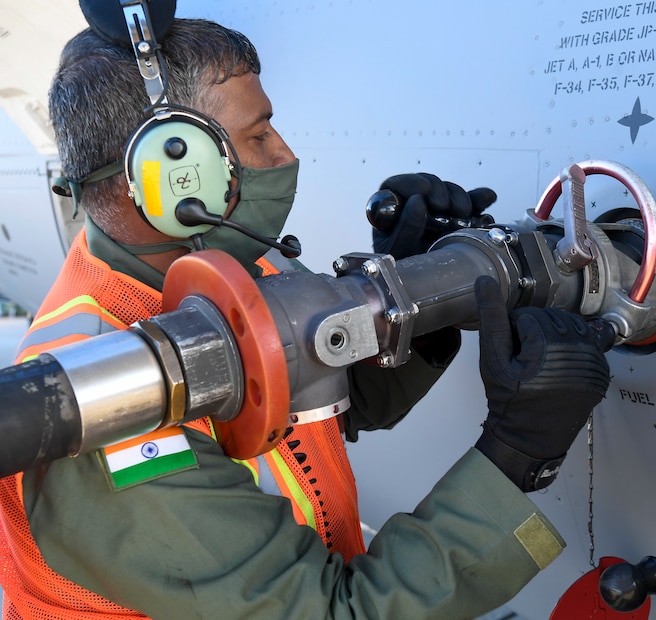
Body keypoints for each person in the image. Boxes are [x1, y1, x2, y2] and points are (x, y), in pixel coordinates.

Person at [0, 15, 610, 620]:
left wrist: (419, 296)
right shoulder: (105, 412)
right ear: (173, 173)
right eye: (259, 135)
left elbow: (321, 408)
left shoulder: (218, 257)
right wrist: (516, 453)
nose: (284, 153)